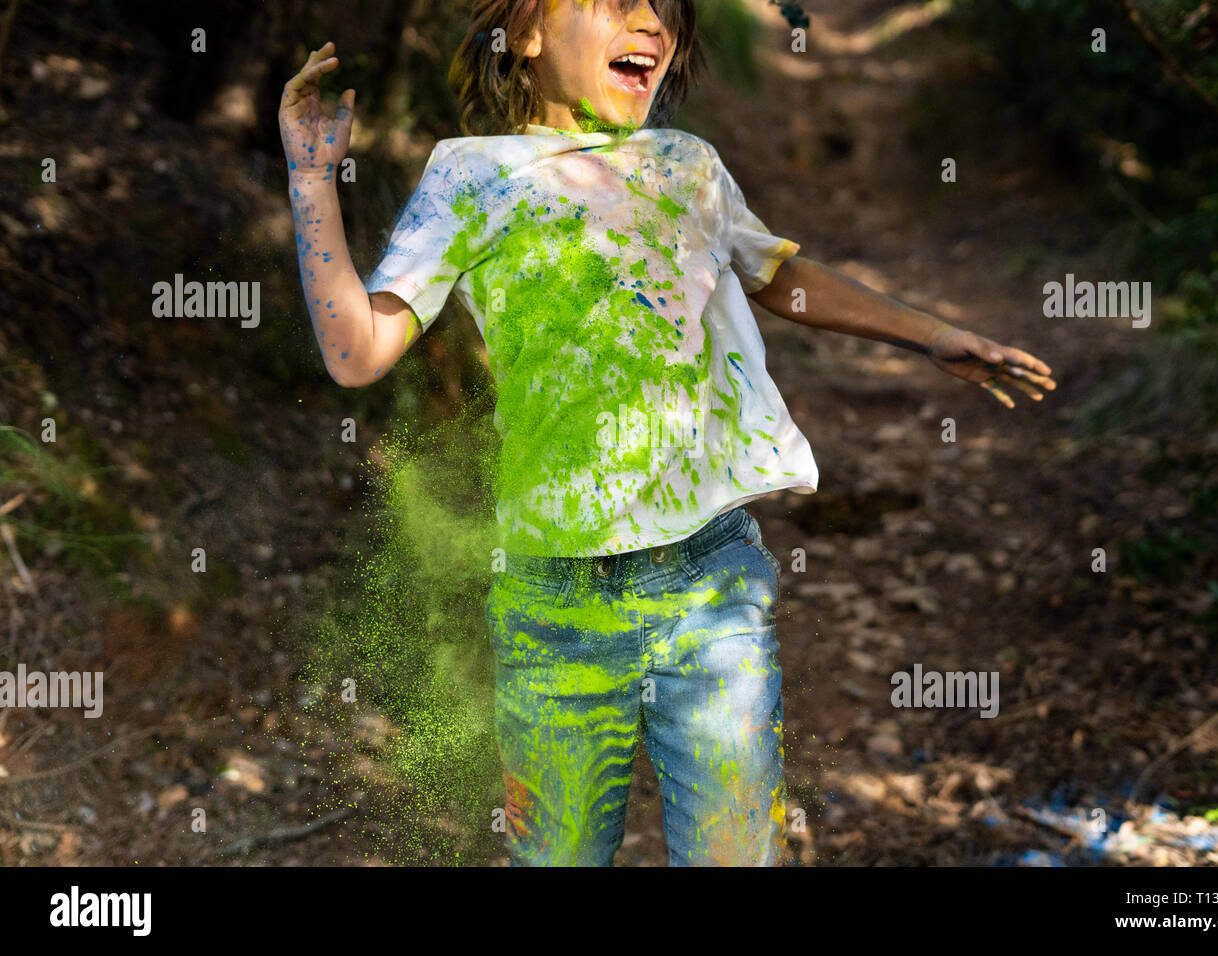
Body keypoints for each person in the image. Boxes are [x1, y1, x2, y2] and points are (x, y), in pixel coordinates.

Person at [277, 0, 1056, 866]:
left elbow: (778, 275)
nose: (652, 23)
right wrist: (313, 182)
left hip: (709, 580)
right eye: (617, 2)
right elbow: (356, 352)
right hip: (552, 607)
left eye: (667, 12)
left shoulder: (688, 165)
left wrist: (931, 333)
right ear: (527, 36)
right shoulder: (472, 175)